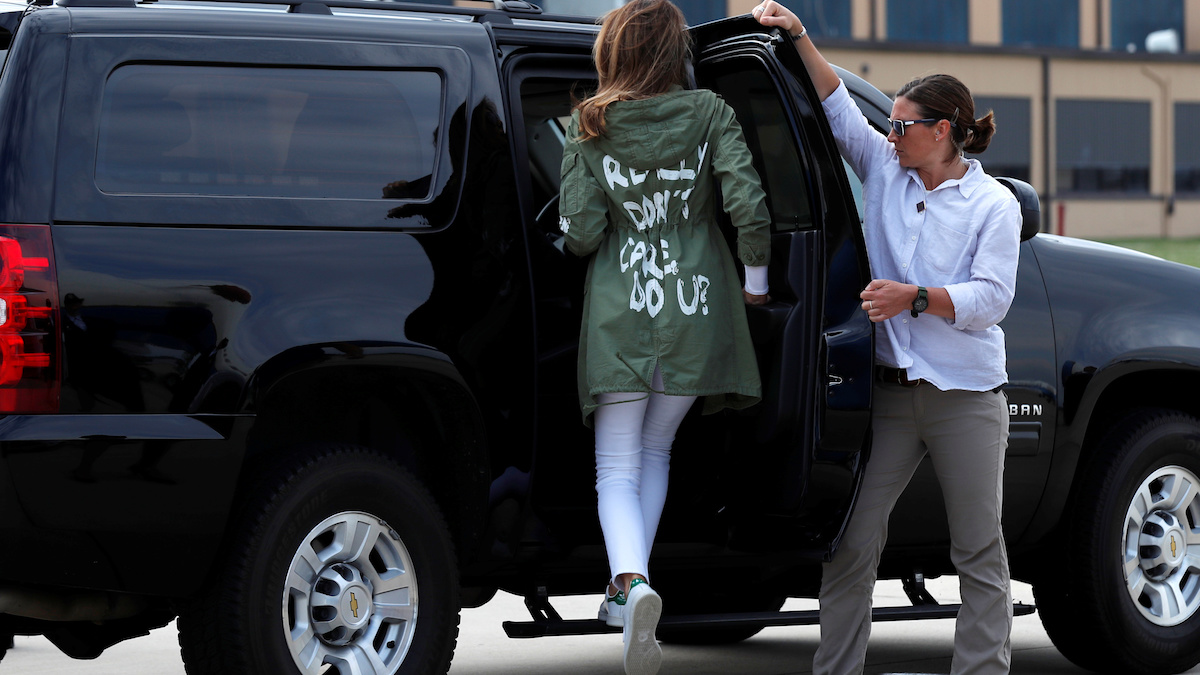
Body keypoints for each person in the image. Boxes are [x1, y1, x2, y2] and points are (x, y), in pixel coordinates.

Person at [753, 3, 1021, 674]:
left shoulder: (995, 206)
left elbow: (992, 300)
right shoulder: (882, 167)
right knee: (852, 541)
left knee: (978, 551)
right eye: (891, 124)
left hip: (966, 395)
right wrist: (799, 34)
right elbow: (836, 103)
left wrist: (915, 298)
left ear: (944, 132)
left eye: (904, 125)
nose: (891, 133)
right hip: (892, 396)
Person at [558, 1, 772, 673]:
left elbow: (584, 232)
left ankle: (631, 584)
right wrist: (758, 280)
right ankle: (632, 590)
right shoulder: (710, 112)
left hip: (623, 309)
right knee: (656, 449)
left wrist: (569, 230)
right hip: (697, 304)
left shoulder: (588, 125)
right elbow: (749, 203)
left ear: (614, 51)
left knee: (614, 464)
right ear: (674, 50)